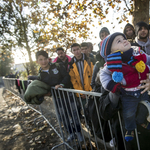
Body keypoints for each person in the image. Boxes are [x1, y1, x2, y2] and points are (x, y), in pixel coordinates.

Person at [99, 32, 150, 142]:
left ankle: (143, 122)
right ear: (110, 52)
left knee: (145, 108)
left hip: (142, 91)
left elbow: (148, 62)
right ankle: (130, 129)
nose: (125, 41)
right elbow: (104, 112)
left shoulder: (137, 54)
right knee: (129, 113)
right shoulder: (111, 67)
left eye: (124, 39)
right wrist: (114, 87)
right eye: (119, 41)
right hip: (127, 98)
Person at [24, 50, 83, 142]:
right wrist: (45, 93)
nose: (43, 61)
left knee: (74, 114)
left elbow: (67, 76)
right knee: (63, 116)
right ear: (37, 61)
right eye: (41, 60)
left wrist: (61, 85)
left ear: (48, 59)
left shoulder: (58, 66)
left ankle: (79, 133)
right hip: (57, 98)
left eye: (45, 59)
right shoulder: (40, 75)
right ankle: (71, 133)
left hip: (68, 95)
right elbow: (43, 87)